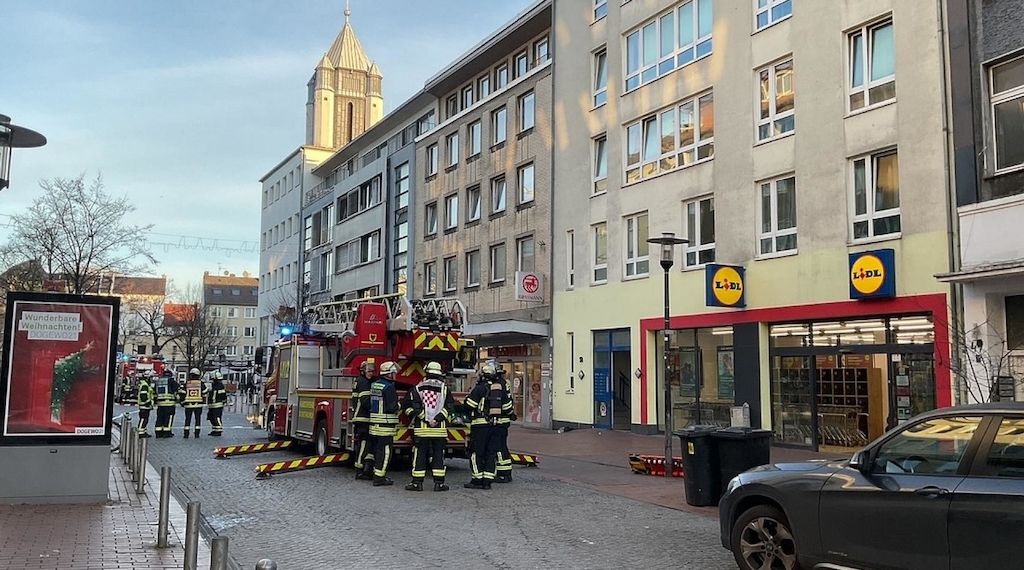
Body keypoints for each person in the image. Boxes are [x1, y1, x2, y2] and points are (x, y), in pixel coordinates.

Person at [402, 361, 455, 492]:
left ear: (427, 373)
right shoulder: (444, 389)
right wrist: (437, 419)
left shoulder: (418, 388)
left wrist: (424, 417)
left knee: (419, 456)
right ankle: (439, 484)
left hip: (422, 430)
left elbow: (409, 406)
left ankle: (417, 483)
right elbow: (449, 407)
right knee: (438, 456)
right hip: (439, 430)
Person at [462, 361, 510, 489]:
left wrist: (465, 402)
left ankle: (477, 480)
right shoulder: (499, 389)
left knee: (476, 452)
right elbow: (507, 406)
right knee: (491, 453)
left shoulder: (479, 388)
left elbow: (470, 405)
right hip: (495, 425)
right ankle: (488, 481)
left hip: (480, 426)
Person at [368, 361, 400, 487]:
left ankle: (376, 474)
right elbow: (392, 407)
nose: (395, 375)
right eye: (393, 373)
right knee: (385, 452)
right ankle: (379, 478)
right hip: (385, 425)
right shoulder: (389, 387)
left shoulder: (375, 385)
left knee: (377, 450)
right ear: (389, 374)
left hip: (375, 424)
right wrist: (400, 405)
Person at [352, 360, 376, 480]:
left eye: (372, 371)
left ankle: (367, 469)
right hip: (363, 418)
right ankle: (359, 470)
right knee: (364, 444)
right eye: (369, 371)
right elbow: (366, 401)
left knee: (368, 444)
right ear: (363, 371)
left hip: (362, 418)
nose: (371, 373)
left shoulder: (360, 380)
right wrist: (377, 408)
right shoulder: (364, 382)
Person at [493, 367, 517, 483]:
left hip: (499, 421)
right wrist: (511, 414)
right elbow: (508, 403)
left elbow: (504, 403)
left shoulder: (498, 385)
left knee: (499, 448)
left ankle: (503, 474)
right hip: (504, 420)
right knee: (503, 447)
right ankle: (506, 473)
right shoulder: (504, 383)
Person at [177, 368, 207, 439]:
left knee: (187, 419)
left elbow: (182, 393)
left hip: (188, 405)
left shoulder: (187, 383)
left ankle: (186, 434)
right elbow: (205, 392)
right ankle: (197, 434)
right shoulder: (201, 383)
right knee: (198, 419)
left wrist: (182, 402)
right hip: (198, 405)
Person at [154, 371, 178, 438]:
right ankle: (167, 432)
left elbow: (155, 392)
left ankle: (158, 433)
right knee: (168, 418)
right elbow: (176, 391)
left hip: (160, 404)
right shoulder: (171, 381)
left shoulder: (158, 381)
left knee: (160, 418)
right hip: (169, 403)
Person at [206, 371, 228, 436]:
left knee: (217, 417)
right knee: (211, 417)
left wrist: (224, 401)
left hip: (217, 405)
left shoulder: (220, 386)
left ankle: (218, 431)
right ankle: (215, 430)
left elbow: (223, 395)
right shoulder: (213, 385)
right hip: (212, 405)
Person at [136, 371, 155, 438]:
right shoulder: (145, 385)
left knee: (145, 419)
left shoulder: (146, 384)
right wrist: (148, 402)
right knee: (143, 419)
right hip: (144, 405)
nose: (152, 379)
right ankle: (140, 432)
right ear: (147, 378)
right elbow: (143, 396)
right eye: (151, 377)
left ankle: (143, 431)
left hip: (146, 406)